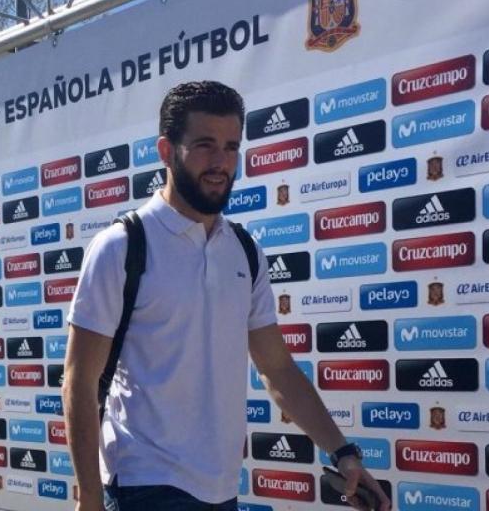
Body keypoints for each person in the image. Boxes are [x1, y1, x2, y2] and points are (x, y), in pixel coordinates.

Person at [62, 81, 391, 511]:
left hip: (220, 490)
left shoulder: (244, 249)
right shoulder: (122, 246)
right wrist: (89, 498)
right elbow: (79, 382)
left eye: (231, 147)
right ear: (166, 151)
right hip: (145, 485)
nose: (220, 162)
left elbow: (276, 368)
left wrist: (343, 453)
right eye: (204, 145)